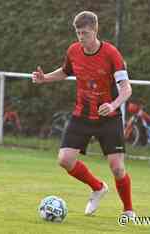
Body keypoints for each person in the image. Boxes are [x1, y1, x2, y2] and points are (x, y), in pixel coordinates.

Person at [32, 11, 134, 217]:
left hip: (109, 118)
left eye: (85, 33)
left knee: (117, 168)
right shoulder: (73, 50)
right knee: (65, 160)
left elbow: (126, 89)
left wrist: (113, 105)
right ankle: (98, 187)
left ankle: (128, 210)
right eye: (78, 32)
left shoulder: (111, 53)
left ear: (95, 30)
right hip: (82, 115)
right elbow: (65, 71)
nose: (81, 37)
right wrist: (45, 79)